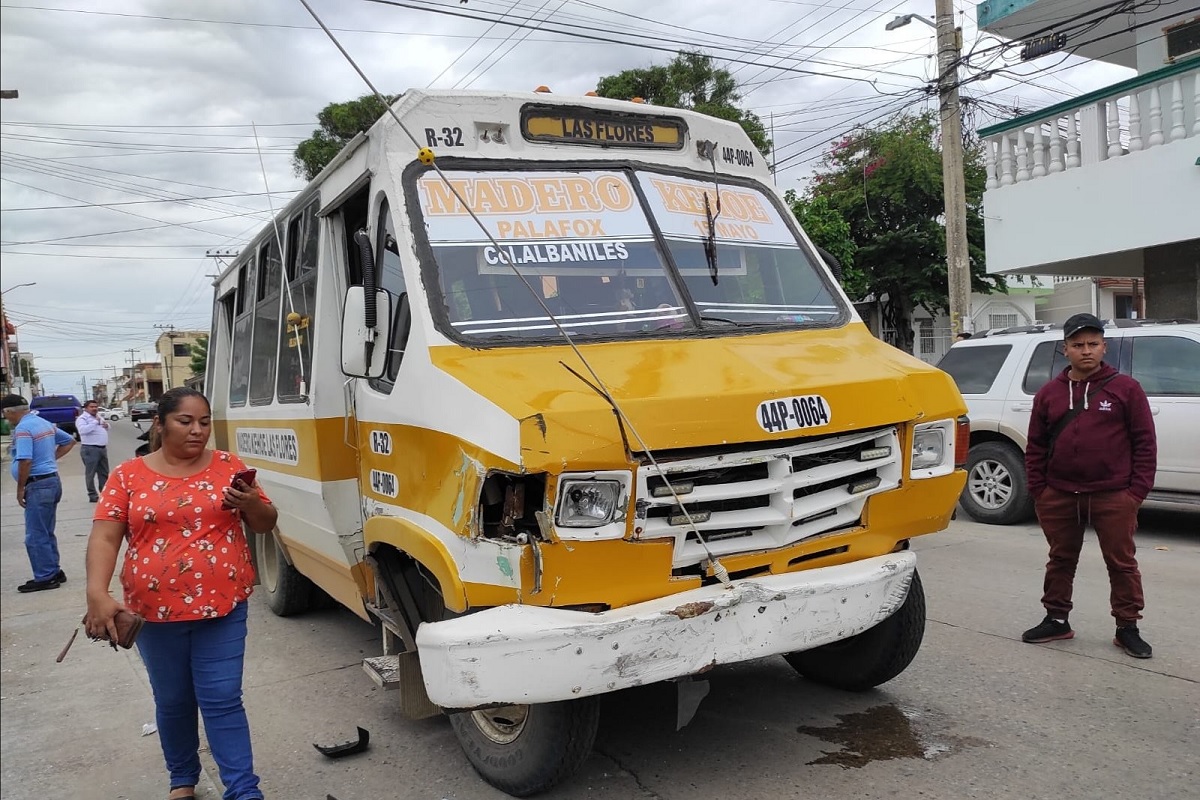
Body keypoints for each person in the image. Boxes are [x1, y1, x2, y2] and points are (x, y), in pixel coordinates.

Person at [84, 388, 276, 800]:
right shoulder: (128, 474)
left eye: (204, 422)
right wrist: (96, 592)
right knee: (172, 701)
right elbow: (104, 537)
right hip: (152, 614)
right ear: (160, 423)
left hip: (222, 609)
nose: (197, 430)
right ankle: (182, 779)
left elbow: (264, 523)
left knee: (222, 699)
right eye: (185, 421)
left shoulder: (228, 466)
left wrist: (252, 503)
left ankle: (243, 791)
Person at [1021, 313, 1157, 659]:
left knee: (1122, 563)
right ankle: (1056, 619)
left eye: (1093, 344)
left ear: (1103, 347)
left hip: (1113, 494)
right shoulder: (1049, 394)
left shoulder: (1126, 389)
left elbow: (1145, 444)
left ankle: (1127, 627)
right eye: (1078, 345)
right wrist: (1039, 490)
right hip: (1060, 494)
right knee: (1060, 559)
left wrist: (1135, 494)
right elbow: (1035, 445)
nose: (1086, 351)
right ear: (1065, 349)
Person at [2, 393, 76, 592]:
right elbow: (69, 440)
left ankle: (45, 577)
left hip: (38, 485)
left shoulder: (24, 429)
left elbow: (25, 460)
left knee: (35, 535)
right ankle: (53, 570)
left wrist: (20, 488)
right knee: (46, 531)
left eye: (5, 414)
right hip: (51, 481)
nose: (5, 418)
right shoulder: (43, 422)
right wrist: (50, 458)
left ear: (10, 411)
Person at [76, 399, 110, 502]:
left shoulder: (98, 417)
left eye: (96, 407)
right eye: (92, 407)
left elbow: (107, 427)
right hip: (90, 448)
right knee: (90, 473)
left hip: (102, 448)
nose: (94, 409)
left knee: (104, 472)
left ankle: (104, 493)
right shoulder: (82, 419)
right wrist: (95, 422)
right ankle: (92, 495)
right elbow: (82, 431)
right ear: (86, 408)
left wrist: (106, 425)